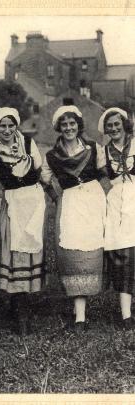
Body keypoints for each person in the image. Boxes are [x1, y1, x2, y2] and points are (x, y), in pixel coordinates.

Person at [0, 107, 46, 335]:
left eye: (11, 125)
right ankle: (20, 308)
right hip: (12, 203)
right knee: (14, 250)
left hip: (33, 201)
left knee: (30, 251)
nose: (7, 130)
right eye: (2, 126)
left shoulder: (28, 143)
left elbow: (40, 171)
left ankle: (24, 301)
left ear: (16, 126)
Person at [42, 105, 107, 332]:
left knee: (91, 253)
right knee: (72, 255)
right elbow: (45, 179)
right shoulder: (52, 155)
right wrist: (56, 197)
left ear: (79, 126)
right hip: (70, 203)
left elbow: (105, 172)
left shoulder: (92, 147)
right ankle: (79, 314)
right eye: (64, 124)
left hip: (92, 200)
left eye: (72, 123)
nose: (69, 128)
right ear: (59, 128)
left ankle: (83, 309)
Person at [99, 107, 135, 329]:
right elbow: (101, 178)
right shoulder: (103, 151)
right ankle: (125, 315)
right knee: (123, 256)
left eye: (116, 124)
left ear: (124, 124)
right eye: (109, 126)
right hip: (116, 203)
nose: (113, 128)